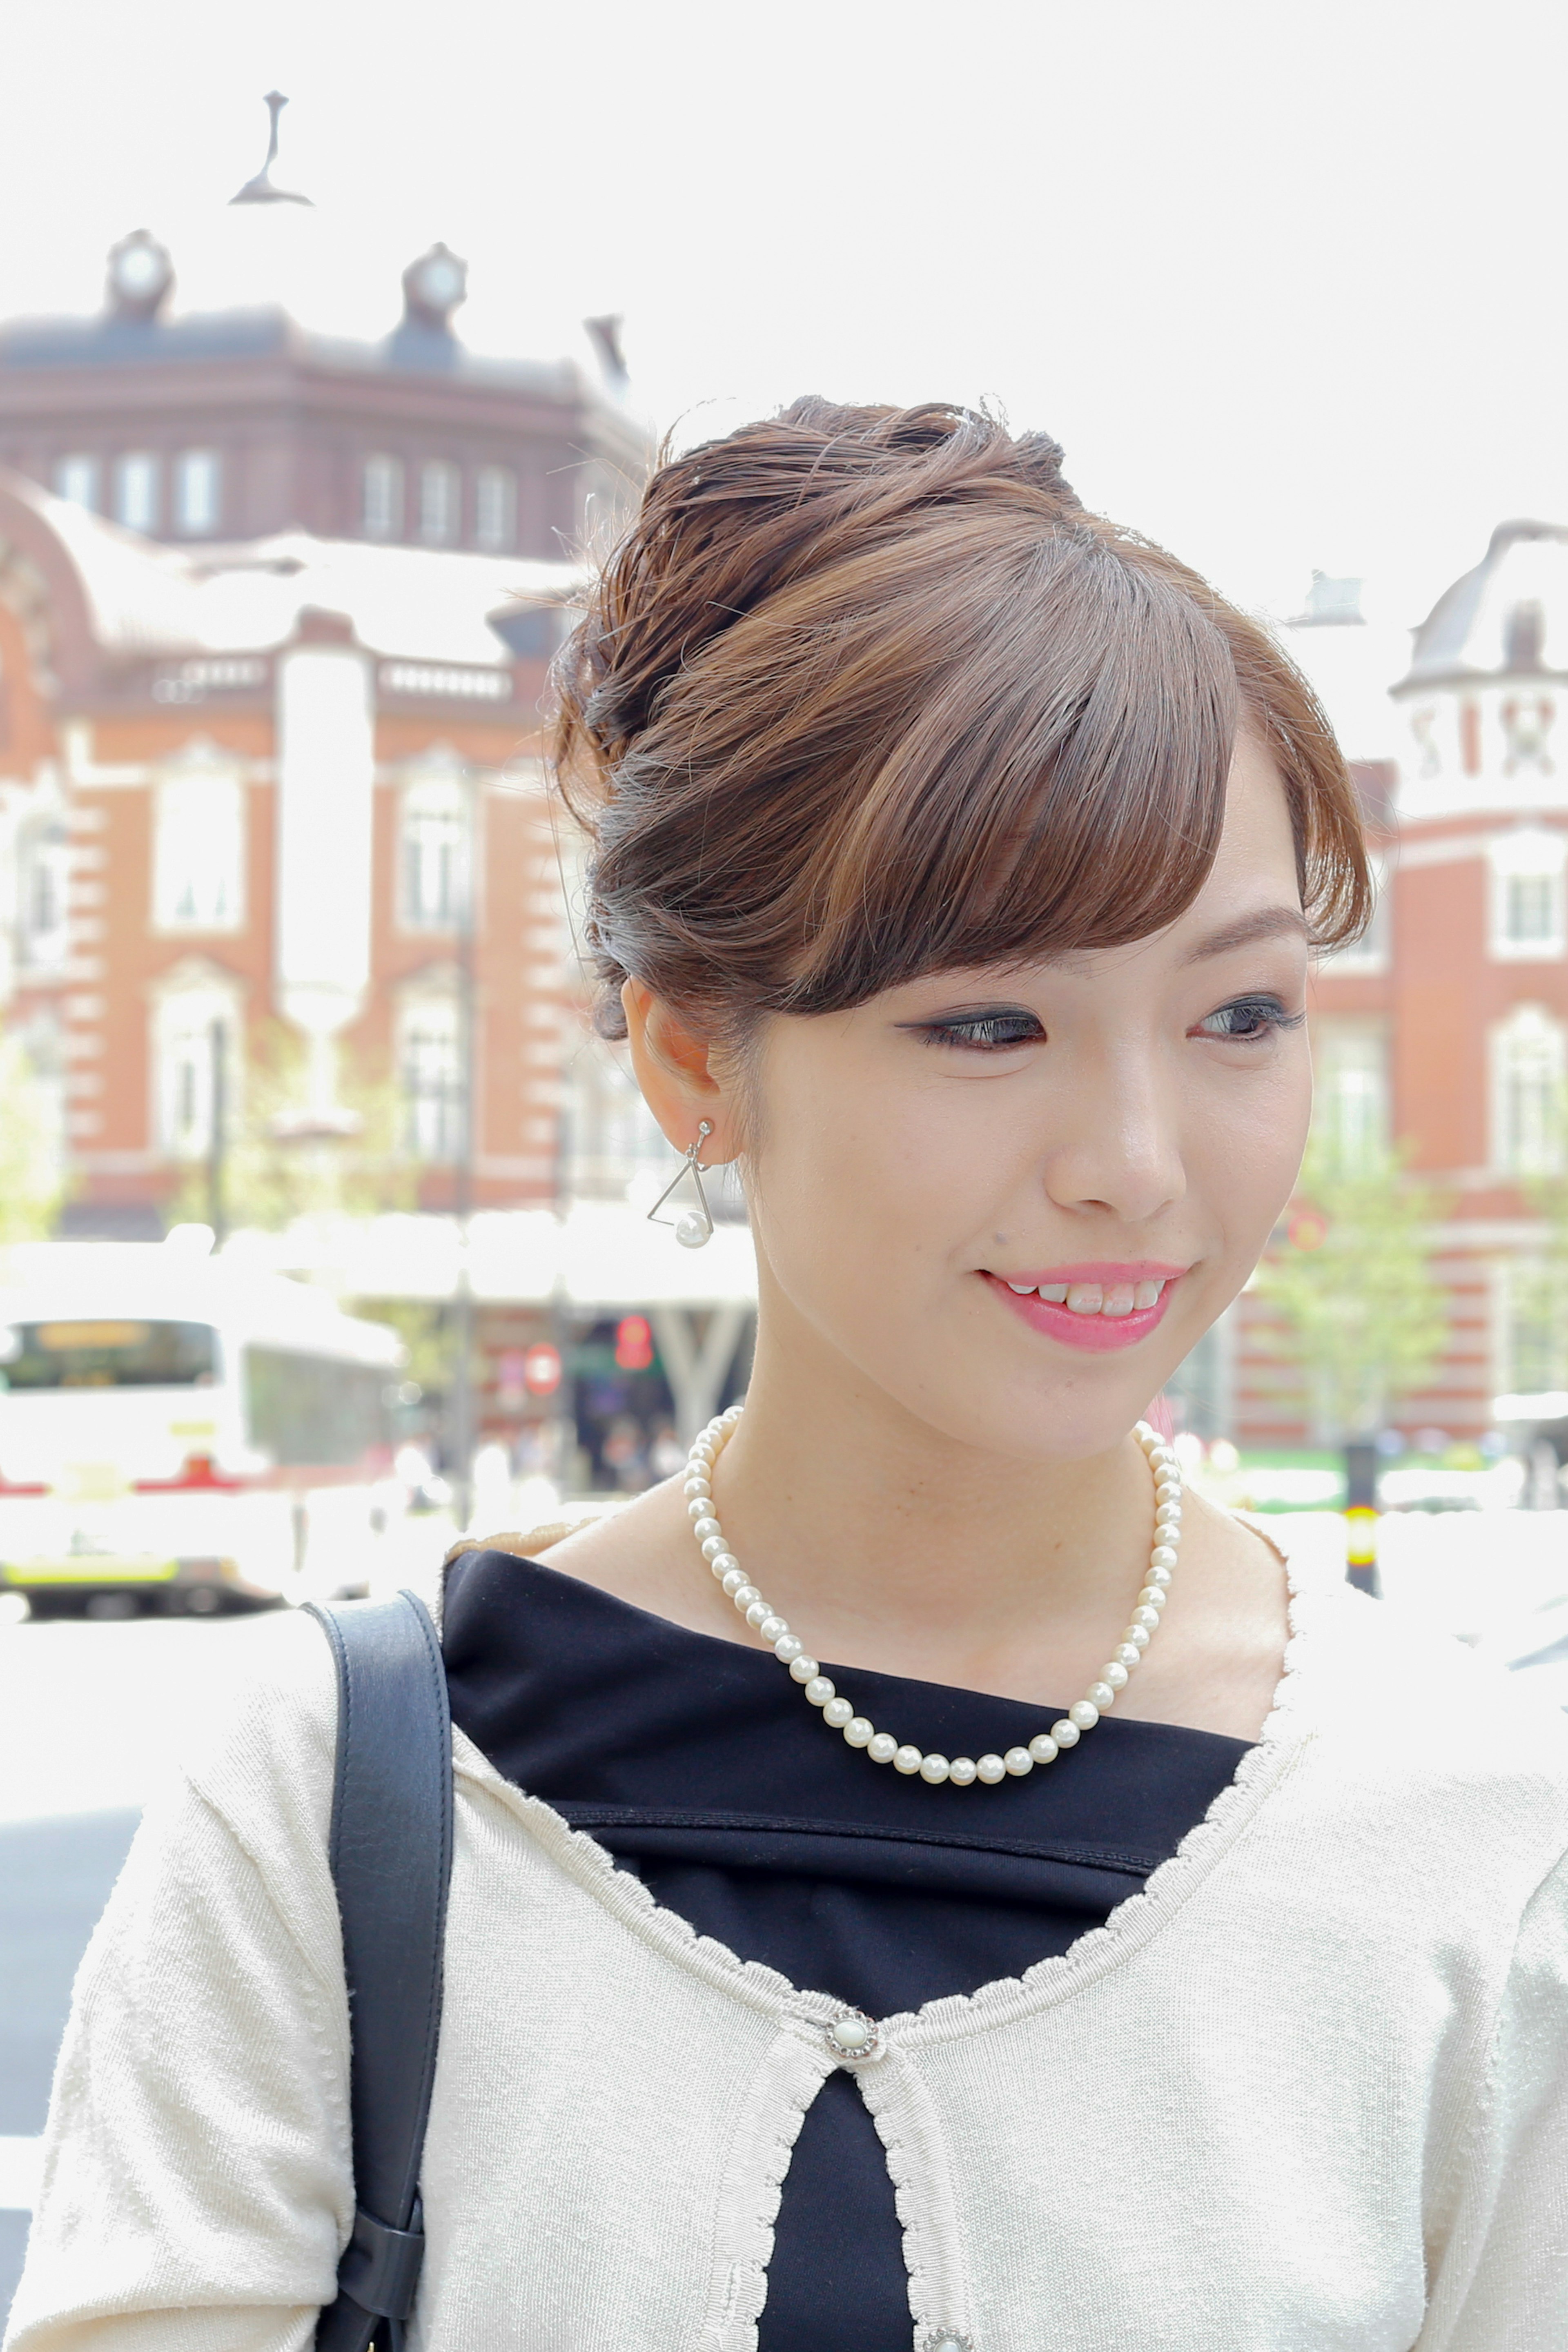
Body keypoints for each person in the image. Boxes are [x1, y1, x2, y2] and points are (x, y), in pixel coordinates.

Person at [9, 401, 1567, 2351]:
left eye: (1241, 1013)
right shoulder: (343, 1792)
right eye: (989, 1022)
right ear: (692, 1064)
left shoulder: (1485, 1837)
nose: (1140, 1163)